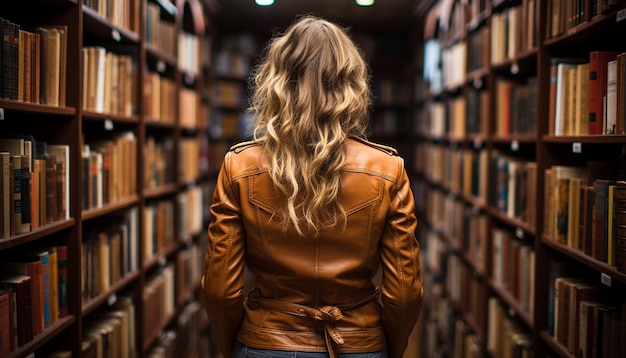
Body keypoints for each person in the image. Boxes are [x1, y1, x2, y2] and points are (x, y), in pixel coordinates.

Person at [201, 14, 424, 358]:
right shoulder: (387, 170)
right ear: (351, 84)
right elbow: (405, 291)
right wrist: (387, 348)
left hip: (265, 344)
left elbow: (220, 289)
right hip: (358, 345)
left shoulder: (240, 166)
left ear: (276, 80)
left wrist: (233, 344)